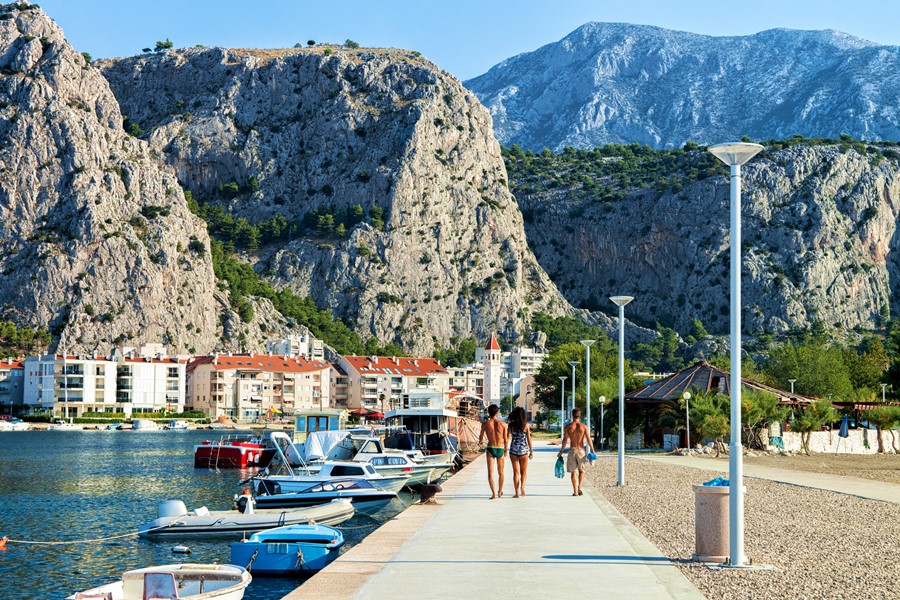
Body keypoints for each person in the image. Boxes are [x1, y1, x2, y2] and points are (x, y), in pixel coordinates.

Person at [557, 407, 595, 496]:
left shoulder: (568, 427)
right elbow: (589, 439)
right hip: (581, 451)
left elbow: (565, 440)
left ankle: (575, 492)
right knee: (582, 470)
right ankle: (580, 488)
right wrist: (593, 450)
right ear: (579, 415)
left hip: (572, 451)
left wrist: (561, 451)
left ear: (572, 415)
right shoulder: (584, 427)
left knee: (573, 472)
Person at [478, 404, 509, 499]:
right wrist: (506, 450)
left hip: (490, 448)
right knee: (501, 472)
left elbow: (481, 438)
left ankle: (493, 494)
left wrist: (480, 442)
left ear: (489, 413)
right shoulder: (503, 424)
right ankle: (500, 491)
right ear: (497, 412)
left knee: (490, 473)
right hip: (500, 448)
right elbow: (506, 439)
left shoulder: (485, 424)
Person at [506, 406, 533, 498]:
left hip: (513, 450)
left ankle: (516, 493)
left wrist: (505, 449)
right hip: (523, 450)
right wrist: (531, 451)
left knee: (516, 472)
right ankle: (522, 487)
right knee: (524, 472)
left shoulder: (511, 426)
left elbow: (508, 438)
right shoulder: (526, 426)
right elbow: (529, 439)